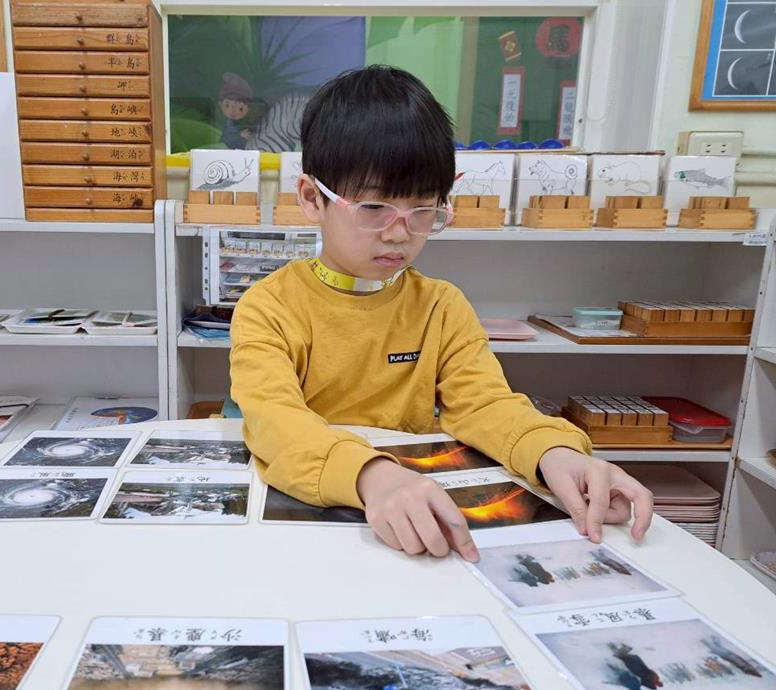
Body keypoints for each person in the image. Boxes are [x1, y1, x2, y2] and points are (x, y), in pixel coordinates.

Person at [229, 66, 654, 561]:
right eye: (373, 208)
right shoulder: (269, 306)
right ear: (311, 198)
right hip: (309, 510)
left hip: (414, 512)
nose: (399, 233)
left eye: (423, 210)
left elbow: (484, 404)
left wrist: (551, 451)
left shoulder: (440, 306)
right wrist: (372, 474)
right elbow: (275, 422)